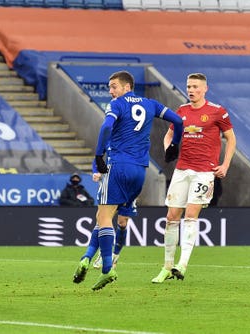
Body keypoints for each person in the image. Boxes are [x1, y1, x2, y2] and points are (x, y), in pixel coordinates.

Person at [72, 70, 183, 291]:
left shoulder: (117, 105)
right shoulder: (150, 104)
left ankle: (107, 268)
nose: (110, 91)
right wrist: (174, 145)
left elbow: (106, 127)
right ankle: (86, 258)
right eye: (109, 87)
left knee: (104, 218)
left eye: (114, 86)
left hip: (118, 166)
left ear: (127, 87)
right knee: (104, 216)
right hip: (141, 171)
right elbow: (178, 120)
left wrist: (98, 156)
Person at [151, 73, 236, 283]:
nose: (191, 90)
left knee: (190, 215)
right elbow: (169, 134)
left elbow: (231, 139)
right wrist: (168, 148)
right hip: (182, 170)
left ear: (205, 89)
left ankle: (182, 264)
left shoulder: (217, 112)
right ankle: (167, 266)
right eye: (189, 86)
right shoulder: (181, 111)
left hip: (204, 172)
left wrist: (225, 165)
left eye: (196, 87)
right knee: (171, 216)